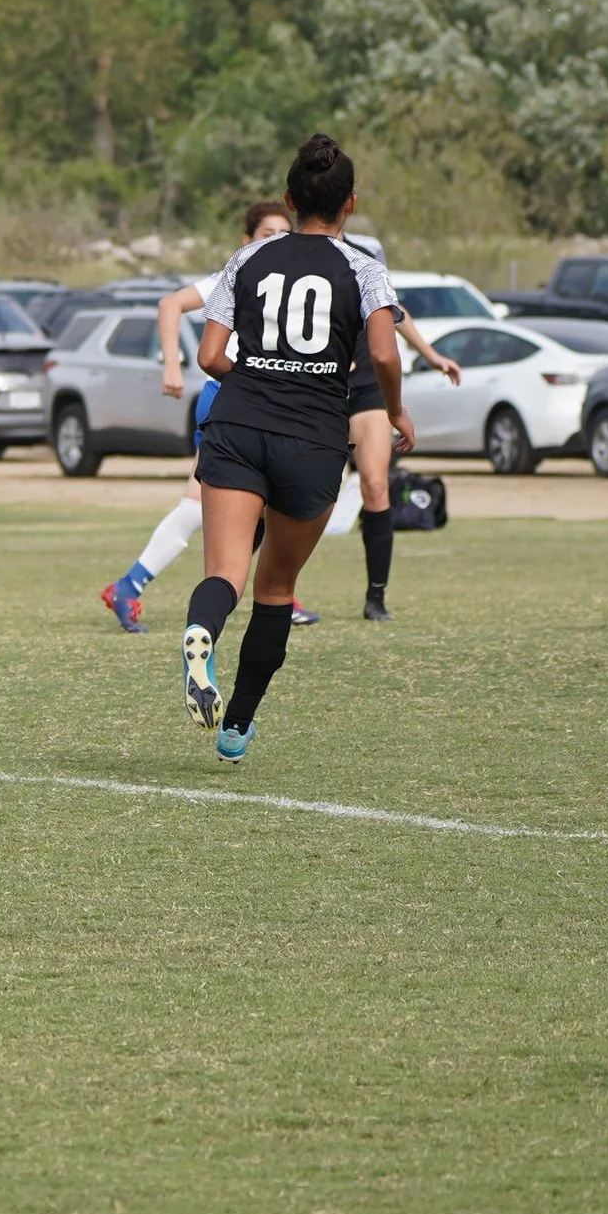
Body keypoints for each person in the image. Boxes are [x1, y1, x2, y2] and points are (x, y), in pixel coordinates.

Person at [181, 134, 410, 762]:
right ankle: (236, 727)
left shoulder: (247, 258)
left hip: (237, 423)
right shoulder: (364, 269)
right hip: (312, 437)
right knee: (277, 587)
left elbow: (209, 356)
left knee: (224, 573)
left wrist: (259, 381)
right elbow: (385, 352)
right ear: (350, 203)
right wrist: (394, 411)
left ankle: (200, 631)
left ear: (289, 199)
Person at [102, 201, 294, 633]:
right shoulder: (237, 274)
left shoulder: (296, 281)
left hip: (265, 404)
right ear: (246, 241)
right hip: (229, 399)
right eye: (267, 235)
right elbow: (170, 304)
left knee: (266, 507)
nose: (276, 242)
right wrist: (172, 365)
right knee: (202, 505)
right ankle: (131, 586)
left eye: (285, 234)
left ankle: (269, 590)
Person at [333, 244, 461, 621]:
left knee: (375, 484)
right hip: (321, 386)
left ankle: (376, 596)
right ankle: (278, 593)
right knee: (308, 493)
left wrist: (432, 355)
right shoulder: (306, 264)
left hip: (367, 389)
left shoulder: (365, 262)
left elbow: (394, 311)